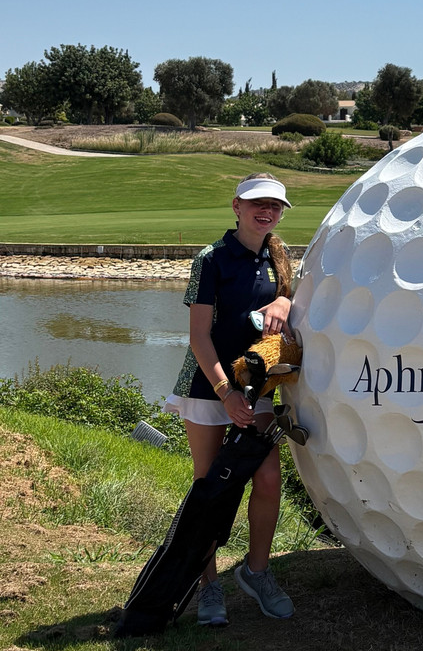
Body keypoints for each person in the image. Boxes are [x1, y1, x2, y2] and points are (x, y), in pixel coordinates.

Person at [164, 173, 296, 626]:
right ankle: (208, 586)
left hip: (256, 385)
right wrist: (224, 391)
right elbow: (199, 335)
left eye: (276, 206)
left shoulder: (281, 258)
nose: (267, 211)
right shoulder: (211, 258)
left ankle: (256, 572)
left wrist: (285, 304)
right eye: (258, 203)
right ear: (236, 205)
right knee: (210, 489)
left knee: (267, 480)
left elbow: (293, 305)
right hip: (208, 385)